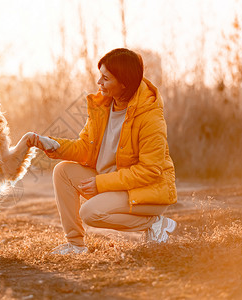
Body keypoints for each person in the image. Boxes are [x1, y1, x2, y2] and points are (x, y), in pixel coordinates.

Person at [29, 48, 177, 255]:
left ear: (124, 83)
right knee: (63, 171)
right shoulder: (103, 107)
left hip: (146, 191)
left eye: (106, 78)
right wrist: (54, 145)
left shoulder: (150, 117)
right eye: (101, 76)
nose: (99, 83)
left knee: (90, 213)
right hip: (114, 184)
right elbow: (85, 148)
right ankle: (75, 245)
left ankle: (154, 223)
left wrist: (100, 183)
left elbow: (150, 171)